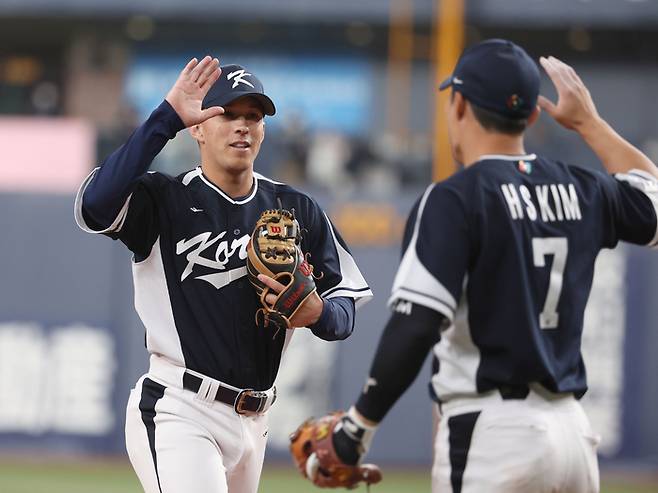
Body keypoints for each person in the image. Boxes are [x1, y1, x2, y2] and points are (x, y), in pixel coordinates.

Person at [325, 40, 658, 492]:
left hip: (493, 437)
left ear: (458, 103)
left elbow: (416, 325)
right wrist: (589, 123)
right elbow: (651, 199)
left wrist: (355, 430)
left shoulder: (454, 199)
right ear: (534, 116)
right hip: (574, 437)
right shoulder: (583, 189)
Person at [74, 56, 372, 493]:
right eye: (227, 114)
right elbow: (94, 206)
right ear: (197, 127)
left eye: (253, 116)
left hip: (256, 422)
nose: (242, 126)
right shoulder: (164, 199)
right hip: (180, 407)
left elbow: (346, 300)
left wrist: (319, 313)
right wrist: (165, 119)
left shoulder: (297, 209)